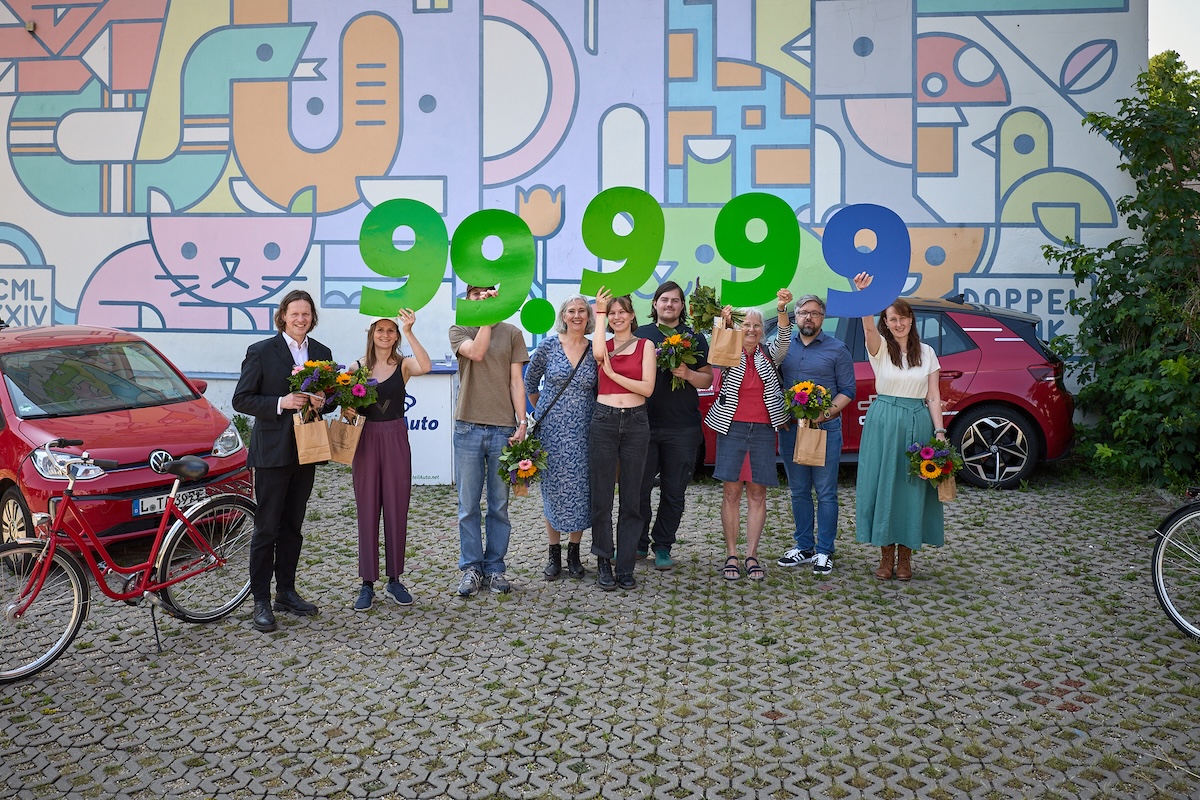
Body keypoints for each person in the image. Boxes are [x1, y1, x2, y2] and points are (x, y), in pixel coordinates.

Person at [232, 289, 332, 633]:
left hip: (306, 449)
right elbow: (242, 399)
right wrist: (281, 402)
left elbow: (331, 398)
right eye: (295, 314)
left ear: (312, 317)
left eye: (306, 314)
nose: (301, 319)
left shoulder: (322, 353)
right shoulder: (261, 351)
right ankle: (260, 599)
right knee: (267, 527)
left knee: (293, 525)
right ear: (283, 317)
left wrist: (324, 400)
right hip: (273, 451)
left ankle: (285, 592)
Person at [851, 272, 945, 580]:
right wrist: (864, 295)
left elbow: (933, 396)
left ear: (911, 319)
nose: (899, 323)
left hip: (917, 421)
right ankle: (885, 555)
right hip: (884, 422)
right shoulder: (879, 348)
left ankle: (906, 557)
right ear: (886, 322)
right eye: (893, 319)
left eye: (903, 317)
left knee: (911, 487)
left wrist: (940, 432)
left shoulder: (927, 352)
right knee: (884, 484)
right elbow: (867, 326)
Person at [703, 291, 793, 582]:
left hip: (764, 430)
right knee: (731, 493)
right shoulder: (728, 351)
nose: (752, 330)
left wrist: (782, 309)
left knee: (757, 493)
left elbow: (784, 342)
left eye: (756, 325)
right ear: (738, 328)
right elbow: (715, 347)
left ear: (762, 330)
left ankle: (751, 555)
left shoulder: (769, 353)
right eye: (746, 325)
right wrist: (723, 322)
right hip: (732, 428)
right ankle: (731, 554)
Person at [347, 311, 431, 611]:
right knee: (367, 509)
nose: (385, 335)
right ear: (371, 333)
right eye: (380, 330)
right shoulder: (357, 368)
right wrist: (346, 410)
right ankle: (367, 583)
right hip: (365, 440)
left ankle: (395, 579)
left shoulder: (403, 364)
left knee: (397, 508)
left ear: (396, 335)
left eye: (390, 330)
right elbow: (346, 406)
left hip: (395, 436)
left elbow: (426, 366)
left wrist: (409, 331)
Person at [449, 285, 530, 597]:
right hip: (467, 427)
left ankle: (495, 568)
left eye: (488, 292)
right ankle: (471, 568)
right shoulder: (460, 328)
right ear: (468, 299)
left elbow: (516, 382)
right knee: (468, 504)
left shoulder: (512, 333)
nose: (482, 296)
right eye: (476, 293)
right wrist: (486, 316)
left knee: (499, 505)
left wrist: (522, 422)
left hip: (502, 430)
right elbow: (477, 352)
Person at [635, 281, 713, 571]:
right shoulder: (640, 335)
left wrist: (687, 373)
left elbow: (707, 379)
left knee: (674, 491)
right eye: (664, 299)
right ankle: (637, 543)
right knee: (637, 489)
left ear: (682, 306)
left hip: (682, 428)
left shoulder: (694, 338)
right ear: (655, 304)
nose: (669, 305)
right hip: (642, 425)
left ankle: (663, 546)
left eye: (675, 301)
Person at [776, 294, 856, 576]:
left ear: (823, 318)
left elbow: (848, 390)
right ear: (796, 317)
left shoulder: (837, 349)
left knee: (825, 492)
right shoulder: (784, 347)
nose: (808, 317)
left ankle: (824, 551)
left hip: (824, 429)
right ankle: (804, 546)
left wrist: (827, 413)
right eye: (803, 313)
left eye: (815, 313)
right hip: (792, 429)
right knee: (798, 491)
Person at [524, 296, 599, 580]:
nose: (577, 315)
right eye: (571, 311)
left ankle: (574, 554)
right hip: (552, 432)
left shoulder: (595, 349)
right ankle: (553, 553)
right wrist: (546, 411)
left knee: (581, 490)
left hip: (584, 431)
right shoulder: (548, 346)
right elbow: (531, 383)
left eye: (582, 311)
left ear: (588, 316)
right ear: (563, 316)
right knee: (554, 490)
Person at [589, 287, 655, 591]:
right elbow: (598, 355)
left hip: (636, 422)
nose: (617, 317)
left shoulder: (645, 345)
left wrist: (614, 376)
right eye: (612, 313)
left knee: (632, 498)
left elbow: (647, 388)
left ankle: (626, 566)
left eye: (621, 312)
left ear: (631, 316)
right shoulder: (603, 344)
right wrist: (599, 311)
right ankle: (604, 561)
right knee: (602, 497)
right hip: (604, 419)